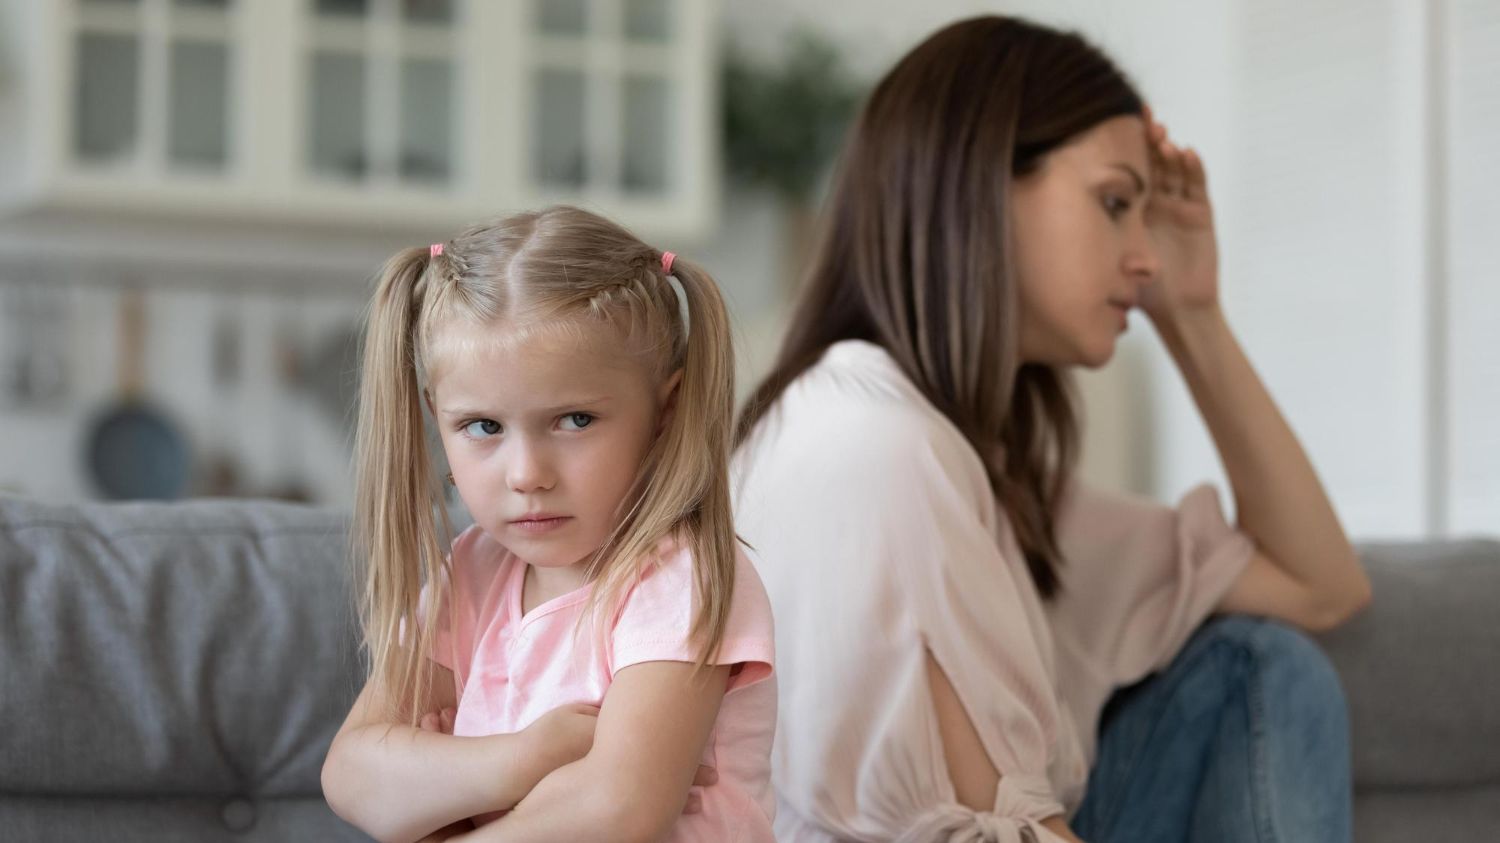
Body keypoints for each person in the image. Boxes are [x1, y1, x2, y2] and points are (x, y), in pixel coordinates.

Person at [731, 16, 1372, 843]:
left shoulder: (982, 477)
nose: (1143, 258)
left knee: (1265, 665)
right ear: (981, 182)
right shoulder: (867, 442)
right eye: (1114, 204)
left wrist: (1194, 313)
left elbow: (1322, 586)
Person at [322, 206, 777, 842]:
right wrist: (528, 759)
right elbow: (352, 772)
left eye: (575, 421)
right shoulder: (476, 569)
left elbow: (618, 811)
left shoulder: (679, 578)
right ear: (437, 417)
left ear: (666, 410)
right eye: (483, 427)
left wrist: (438, 785)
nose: (527, 474)